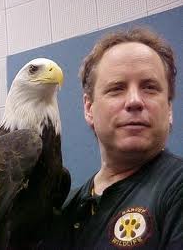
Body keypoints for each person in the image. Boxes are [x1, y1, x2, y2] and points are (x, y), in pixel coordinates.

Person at [62, 27, 183, 250]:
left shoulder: (176, 189)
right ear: (89, 108)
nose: (134, 101)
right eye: (117, 89)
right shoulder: (64, 207)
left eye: (150, 87)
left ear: (169, 109)